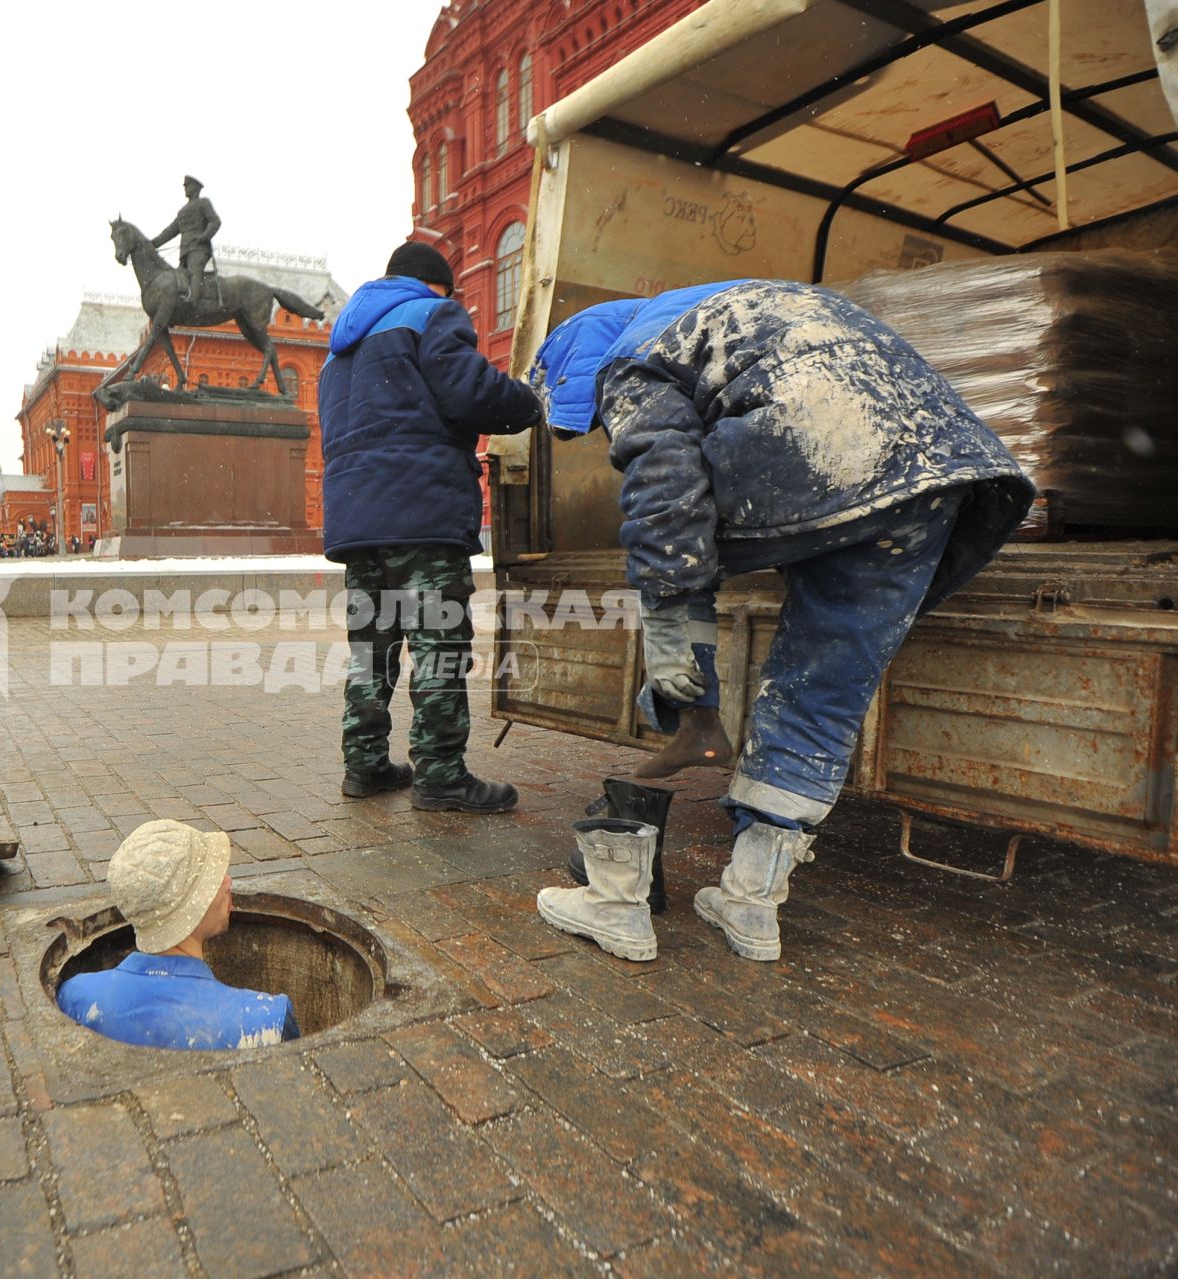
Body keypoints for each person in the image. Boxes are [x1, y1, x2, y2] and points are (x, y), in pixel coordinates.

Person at [531, 280, 1033, 964]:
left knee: (663, 535)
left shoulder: (629, 354)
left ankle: (630, 862)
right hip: (939, 472)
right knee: (823, 686)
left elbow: (667, 497)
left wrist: (674, 649)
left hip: (817, 441)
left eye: (587, 415)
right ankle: (751, 902)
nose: (597, 428)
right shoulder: (750, 307)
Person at [318, 241, 542, 814]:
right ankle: (440, 775)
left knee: (372, 649)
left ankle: (364, 766)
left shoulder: (339, 347)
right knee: (439, 645)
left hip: (358, 521)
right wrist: (529, 400)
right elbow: (471, 391)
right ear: (436, 285)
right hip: (420, 513)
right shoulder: (430, 314)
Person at [56, 820, 298, 1050]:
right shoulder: (266, 1021)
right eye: (211, 879)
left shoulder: (75, 995)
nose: (227, 882)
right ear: (192, 908)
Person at [151, 175, 222, 304]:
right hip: (185, 251)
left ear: (195, 188)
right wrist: (153, 243)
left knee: (194, 270)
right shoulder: (182, 211)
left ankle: (193, 301)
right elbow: (170, 231)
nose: (185, 188)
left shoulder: (203, 203)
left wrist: (205, 236)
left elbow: (215, 221)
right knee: (181, 276)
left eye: (187, 186)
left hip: (199, 248)